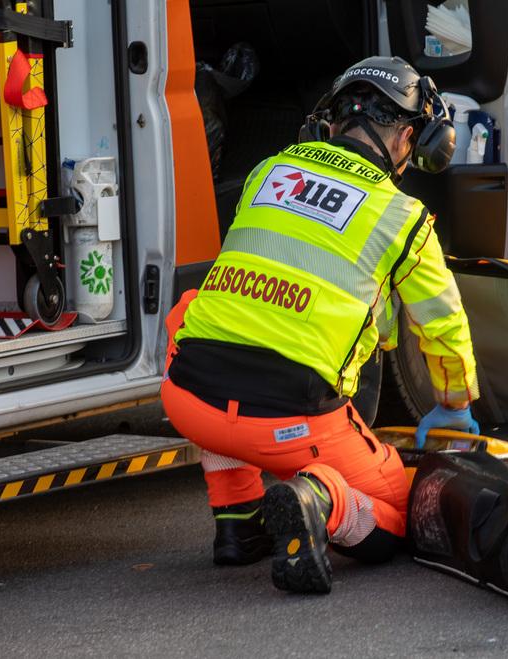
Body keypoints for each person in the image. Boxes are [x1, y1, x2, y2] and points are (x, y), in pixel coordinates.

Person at [161, 56, 480, 594]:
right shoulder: (403, 219)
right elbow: (444, 324)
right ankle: (321, 502)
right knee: (401, 511)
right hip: (291, 422)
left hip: (190, 399)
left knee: (193, 306)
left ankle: (238, 521)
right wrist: (453, 403)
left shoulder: (267, 171)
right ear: (410, 138)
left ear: (328, 122)